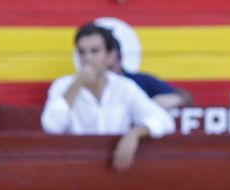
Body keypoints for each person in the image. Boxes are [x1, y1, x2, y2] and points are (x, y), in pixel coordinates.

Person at [40, 21, 175, 170]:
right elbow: (52, 126)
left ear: (110, 57)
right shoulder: (63, 85)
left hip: (114, 168)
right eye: (82, 52)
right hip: (75, 168)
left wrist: (135, 134)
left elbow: (165, 121)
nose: (87, 59)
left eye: (95, 51)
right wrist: (77, 84)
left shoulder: (124, 87)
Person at [105, 33, 192, 109]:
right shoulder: (92, 86)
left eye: (95, 51)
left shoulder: (138, 81)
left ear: (114, 54)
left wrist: (150, 105)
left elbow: (185, 97)